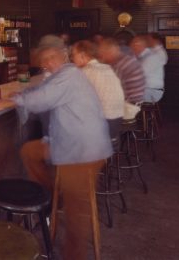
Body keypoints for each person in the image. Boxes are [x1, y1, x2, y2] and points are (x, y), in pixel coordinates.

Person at [13, 36, 112, 260]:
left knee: (75, 217)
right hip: (69, 143)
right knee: (29, 152)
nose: (47, 63)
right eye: (43, 61)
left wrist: (15, 100)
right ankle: (50, 197)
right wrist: (21, 95)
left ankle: (74, 256)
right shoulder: (62, 75)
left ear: (64, 55)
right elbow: (41, 91)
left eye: (50, 58)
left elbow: (42, 99)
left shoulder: (70, 74)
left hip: (83, 153)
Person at [71, 40, 124, 140]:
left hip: (103, 125)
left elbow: (74, 99)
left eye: (73, 55)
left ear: (82, 55)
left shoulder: (86, 71)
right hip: (117, 122)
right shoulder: (107, 67)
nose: (72, 59)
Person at [97, 37, 145, 106]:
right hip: (134, 100)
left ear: (109, 51)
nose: (102, 57)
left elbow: (112, 88)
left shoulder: (121, 64)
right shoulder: (123, 59)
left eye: (103, 53)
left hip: (129, 104)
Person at [130, 35, 167, 102]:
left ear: (139, 45)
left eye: (133, 45)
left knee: (119, 95)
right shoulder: (142, 56)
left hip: (152, 91)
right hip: (146, 89)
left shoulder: (151, 57)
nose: (131, 47)